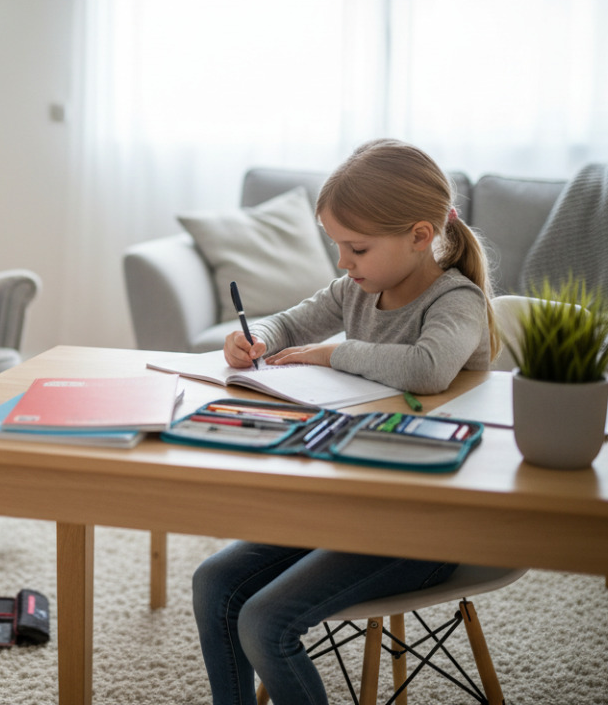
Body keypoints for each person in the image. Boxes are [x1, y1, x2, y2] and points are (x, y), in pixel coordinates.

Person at [193, 138, 499, 704]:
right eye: (337, 246)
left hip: (427, 524)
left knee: (265, 622)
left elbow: (427, 369)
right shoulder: (355, 290)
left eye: (355, 248)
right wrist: (257, 339)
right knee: (213, 581)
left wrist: (328, 353)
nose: (343, 262)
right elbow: (290, 323)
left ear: (420, 235)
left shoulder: (455, 302)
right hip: (352, 506)